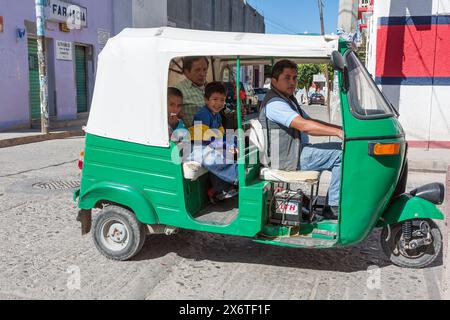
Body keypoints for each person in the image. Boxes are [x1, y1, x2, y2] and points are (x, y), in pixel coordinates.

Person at [258, 60, 343, 219]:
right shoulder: (275, 103)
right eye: (287, 78)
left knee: (342, 148)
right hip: (287, 159)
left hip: (296, 152)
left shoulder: (288, 99)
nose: (292, 82)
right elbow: (304, 126)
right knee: (341, 155)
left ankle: (333, 202)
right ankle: (334, 207)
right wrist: (338, 132)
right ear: (274, 81)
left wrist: (340, 129)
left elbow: (311, 121)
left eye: (294, 78)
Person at [188, 81, 238, 203]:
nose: (219, 103)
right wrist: (224, 145)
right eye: (215, 99)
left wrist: (232, 144)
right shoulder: (203, 115)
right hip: (196, 147)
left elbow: (222, 134)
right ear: (206, 100)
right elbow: (205, 137)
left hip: (209, 144)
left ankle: (219, 190)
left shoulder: (217, 115)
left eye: (222, 100)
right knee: (214, 157)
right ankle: (237, 175)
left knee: (228, 149)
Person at [175, 56, 209, 127]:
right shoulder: (178, 91)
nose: (202, 74)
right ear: (186, 72)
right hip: (193, 136)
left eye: (204, 69)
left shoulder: (210, 87)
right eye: (197, 70)